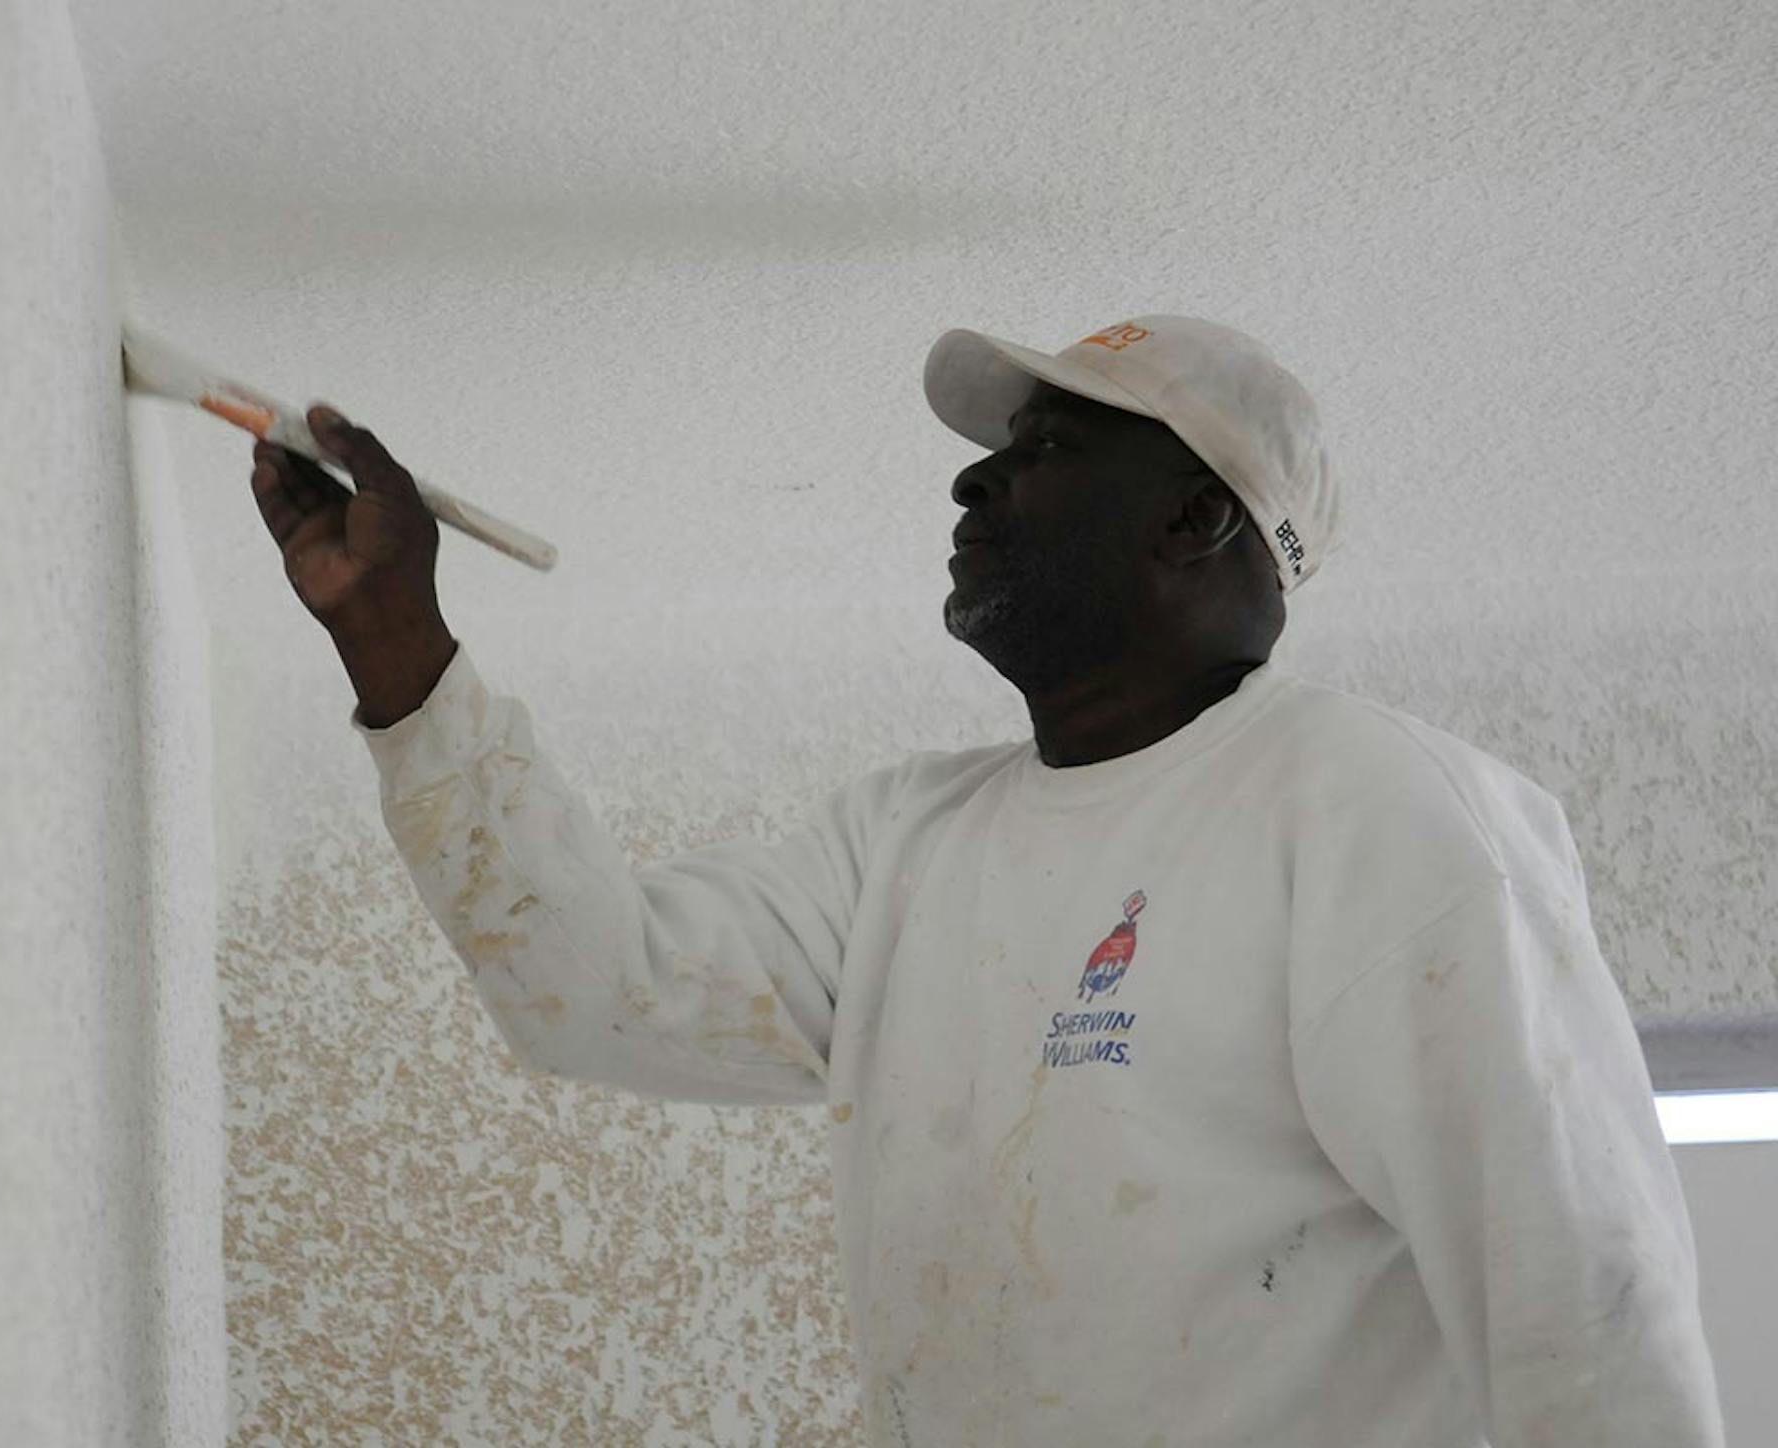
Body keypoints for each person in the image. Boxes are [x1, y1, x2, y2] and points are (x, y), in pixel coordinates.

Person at [246, 315, 1725, 1447]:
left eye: (1044, 450)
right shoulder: (912, 845)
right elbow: (592, 989)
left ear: (1195, 517)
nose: (974, 477)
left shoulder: (1371, 808)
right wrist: (395, 642)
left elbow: (1578, 1295)